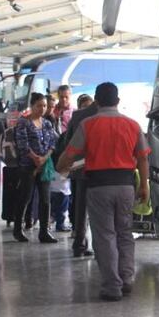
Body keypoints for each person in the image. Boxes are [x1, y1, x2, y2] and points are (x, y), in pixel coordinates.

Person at [57, 82, 149, 302]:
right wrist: (144, 185)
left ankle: (112, 286)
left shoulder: (88, 124)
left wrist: (61, 167)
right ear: (118, 101)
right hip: (126, 185)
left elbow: (69, 155)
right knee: (125, 233)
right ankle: (127, 279)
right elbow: (143, 157)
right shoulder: (133, 125)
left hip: (99, 187)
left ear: (97, 101)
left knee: (105, 235)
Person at [12, 93, 58, 243]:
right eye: (39, 105)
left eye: (44, 106)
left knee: (45, 199)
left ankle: (44, 231)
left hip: (44, 165)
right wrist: (35, 158)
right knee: (25, 197)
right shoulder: (23, 122)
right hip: (28, 166)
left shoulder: (47, 123)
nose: (42, 109)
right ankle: (18, 229)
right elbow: (22, 144)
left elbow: (53, 142)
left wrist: (44, 158)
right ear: (32, 106)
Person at [63, 95, 99, 258]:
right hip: (104, 169)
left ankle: (79, 242)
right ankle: (98, 243)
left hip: (81, 167)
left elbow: (68, 141)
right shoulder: (111, 116)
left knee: (81, 206)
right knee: (100, 208)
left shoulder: (78, 115)